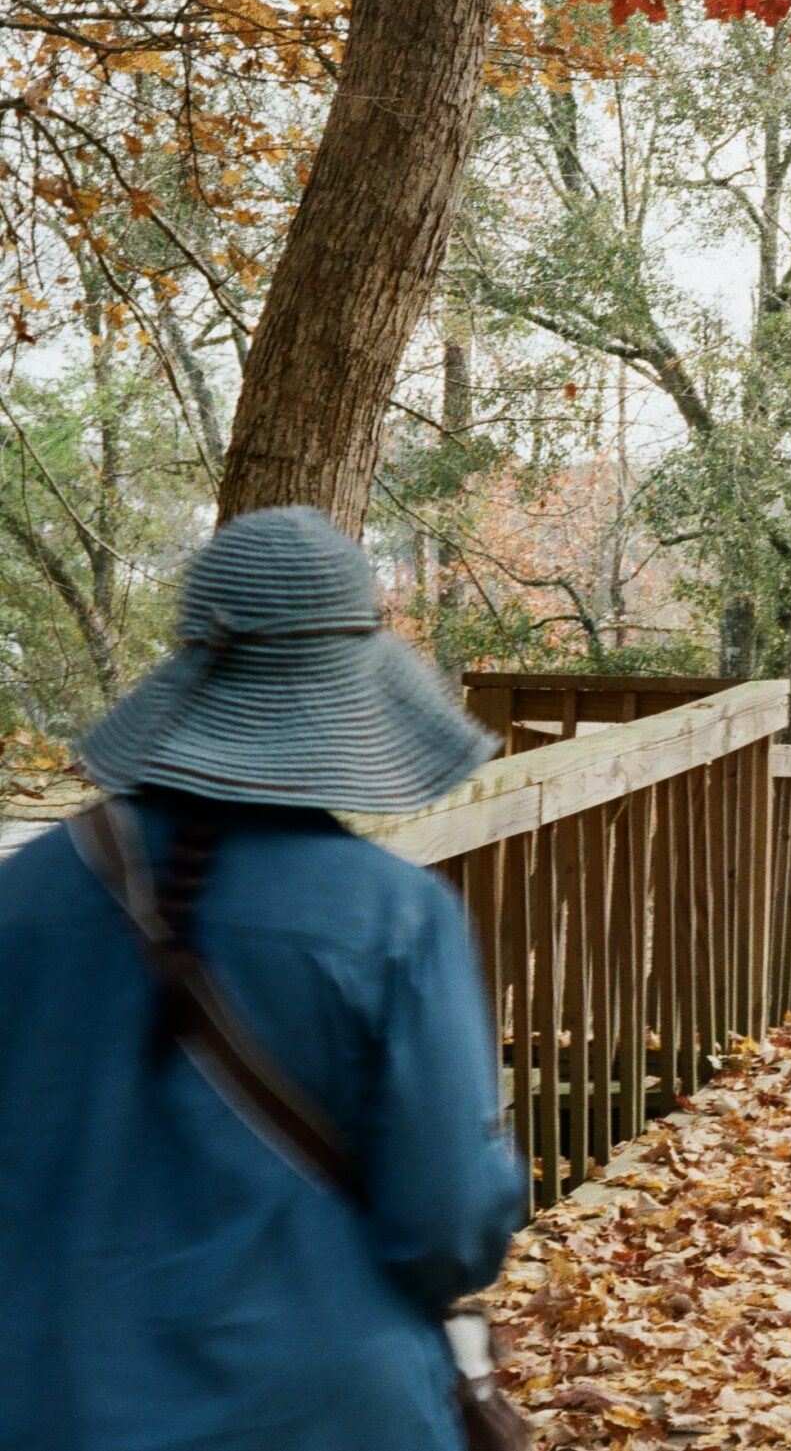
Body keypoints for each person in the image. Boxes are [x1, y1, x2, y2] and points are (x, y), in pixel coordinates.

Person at [0, 507, 527, 1449]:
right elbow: (446, 1227)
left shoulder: (21, 901)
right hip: (323, 1412)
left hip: (50, 1401)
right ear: (352, 698)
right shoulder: (394, 919)